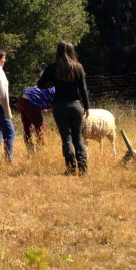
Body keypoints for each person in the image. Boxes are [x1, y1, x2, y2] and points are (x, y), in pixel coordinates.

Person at [37, 41, 91, 175]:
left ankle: (71, 169)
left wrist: (50, 84)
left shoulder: (53, 67)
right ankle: (83, 170)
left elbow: (40, 84)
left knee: (66, 138)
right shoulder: (78, 67)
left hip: (59, 105)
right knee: (77, 138)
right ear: (72, 51)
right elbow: (83, 89)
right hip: (75, 105)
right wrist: (87, 106)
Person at [16, 85, 55, 152]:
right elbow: (56, 106)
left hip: (22, 100)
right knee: (40, 127)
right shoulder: (56, 89)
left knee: (27, 127)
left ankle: (30, 151)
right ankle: (40, 151)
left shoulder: (48, 83)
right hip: (30, 101)